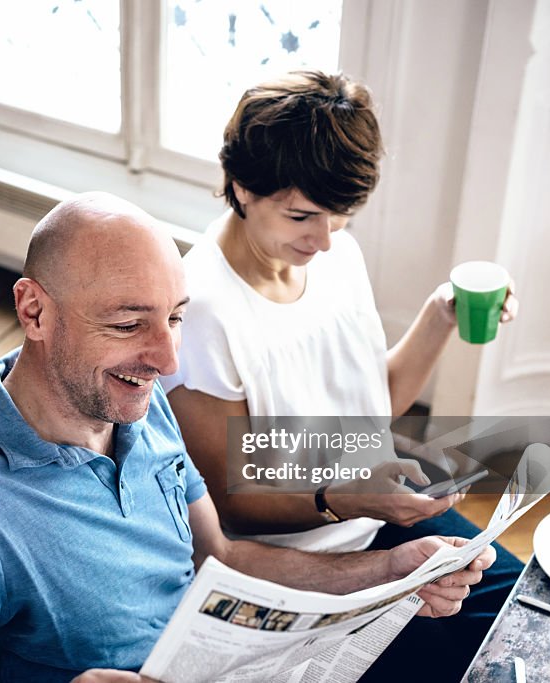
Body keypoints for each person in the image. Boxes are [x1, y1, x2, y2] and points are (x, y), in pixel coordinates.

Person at [0, 192, 496, 682]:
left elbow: (221, 556)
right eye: (129, 323)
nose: (167, 359)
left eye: (175, 317)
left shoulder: (137, 407)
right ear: (34, 312)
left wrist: (390, 569)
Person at [160, 70, 522, 680]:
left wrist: (440, 316)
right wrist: (338, 497)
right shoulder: (204, 311)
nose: (324, 241)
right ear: (243, 187)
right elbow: (229, 507)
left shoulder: (334, 257)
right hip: (295, 569)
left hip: (373, 518)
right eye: (302, 216)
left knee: (531, 618)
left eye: (341, 216)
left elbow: (369, 408)